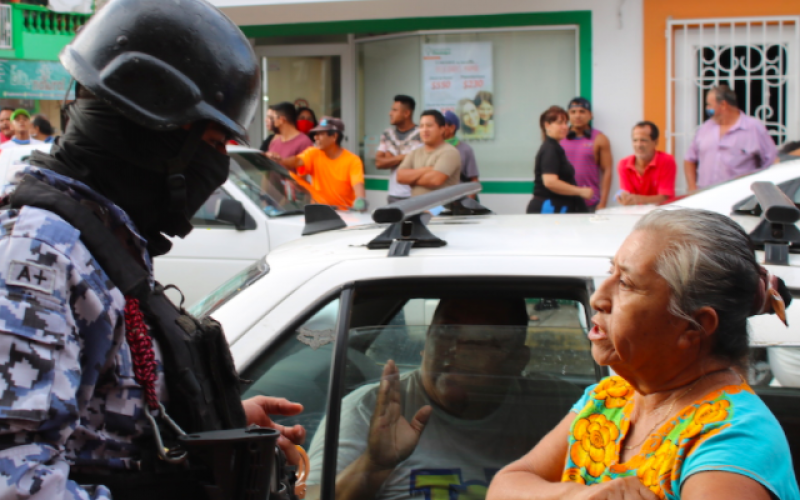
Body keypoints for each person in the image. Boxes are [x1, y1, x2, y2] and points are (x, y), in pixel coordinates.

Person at [0, 1, 307, 498]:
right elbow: (16, 478)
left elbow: (100, 423)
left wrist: (212, 423)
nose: (217, 165)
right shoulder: (35, 253)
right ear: (149, 135)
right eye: (211, 142)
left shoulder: (99, 241)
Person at [488, 208, 800, 500]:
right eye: (611, 272)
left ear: (695, 326)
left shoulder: (732, 441)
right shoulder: (610, 398)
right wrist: (578, 496)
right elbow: (506, 484)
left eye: (625, 283)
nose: (598, 298)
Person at [306, 298, 561, 500]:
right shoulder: (370, 410)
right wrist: (371, 466)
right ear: (426, 341)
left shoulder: (556, 410)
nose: (456, 349)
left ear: (518, 360)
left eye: (482, 339)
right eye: (447, 332)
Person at [685, 85, 778, 191]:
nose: (707, 109)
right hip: (706, 197)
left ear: (723, 105)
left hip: (739, 198)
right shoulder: (705, 128)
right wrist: (692, 188)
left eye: (709, 105)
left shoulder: (753, 128)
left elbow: (772, 162)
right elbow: (689, 159)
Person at [274, 116, 367, 211]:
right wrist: (280, 161)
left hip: (344, 214)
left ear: (334, 136)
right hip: (318, 212)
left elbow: (358, 184)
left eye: (321, 134)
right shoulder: (313, 153)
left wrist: (361, 199)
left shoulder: (353, 160)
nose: (315, 137)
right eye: (316, 134)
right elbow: (297, 161)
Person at [527, 106, 592, 214]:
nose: (565, 127)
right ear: (547, 125)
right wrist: (580, 191)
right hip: (549, 209)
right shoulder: (550, 149)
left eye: (566, 123)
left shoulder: (555, 147)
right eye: (560, 123)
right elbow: (550, 182)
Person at [560, 97, 613, 211]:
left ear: (590, 115)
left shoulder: (600, 139)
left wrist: (603, 202)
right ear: (568, 115)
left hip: (590, 202)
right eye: (573, 112)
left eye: (582, 111)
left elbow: (607, 170)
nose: (577, 115)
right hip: (563, 201)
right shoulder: (559, 138)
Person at [396, 109, 461, 196]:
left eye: (429, 126)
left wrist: (411, 180)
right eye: (421, 126)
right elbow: (400, 176)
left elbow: (435, 180)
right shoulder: (414, 153)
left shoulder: (450, 152)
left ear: (442, 129)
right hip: (416, 207)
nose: (424, 130)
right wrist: (426, 169)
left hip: (440, 208)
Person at [616, 121, 676, 205]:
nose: (638, 144)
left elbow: (664, 198)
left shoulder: (667, 160)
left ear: (655, 142)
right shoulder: (623, 164)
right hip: (634, 214)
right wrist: (623, 198)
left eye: (643, 140)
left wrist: (636, 198)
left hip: (662, 213)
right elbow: (628, 196)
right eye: (635, 140)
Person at [375, 95, 421, 203]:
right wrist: (403, 157)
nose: (390, 113)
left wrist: (390, 158)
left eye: (395, 110)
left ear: (406, 113)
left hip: (414, 195)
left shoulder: (421, 134)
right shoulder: (387, 134)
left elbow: (420, 163)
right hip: (393, 195)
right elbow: (379, 163)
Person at [443, 110, 480, 185]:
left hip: (460, 195)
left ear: (452, 128)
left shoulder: (465, 149)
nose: (439, 128)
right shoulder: (434, 148)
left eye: (442, 125)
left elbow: (474, 180)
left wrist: (469, 197)